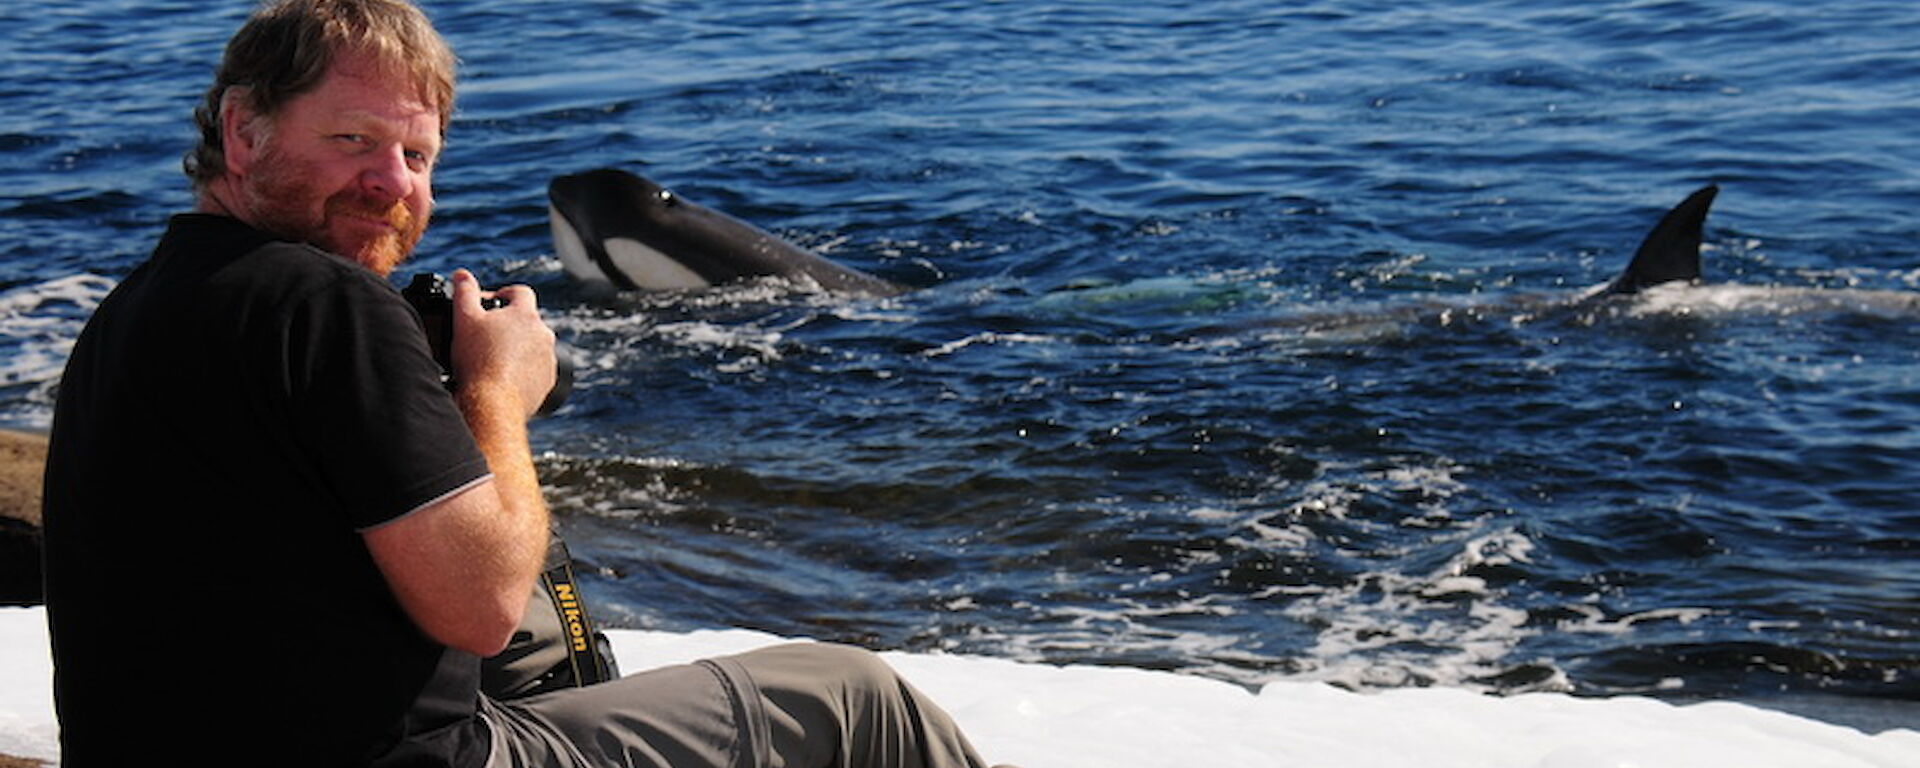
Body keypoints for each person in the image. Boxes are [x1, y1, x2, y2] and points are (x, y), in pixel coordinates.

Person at [39, 1, 999, 766]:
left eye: (417, 155)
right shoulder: (326, 305)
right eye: (352, 140)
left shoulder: (136, 309)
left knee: (553, 667)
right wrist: (497, 391)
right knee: (847, 695)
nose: (392, 181)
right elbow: (481, 604)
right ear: (243, 132)